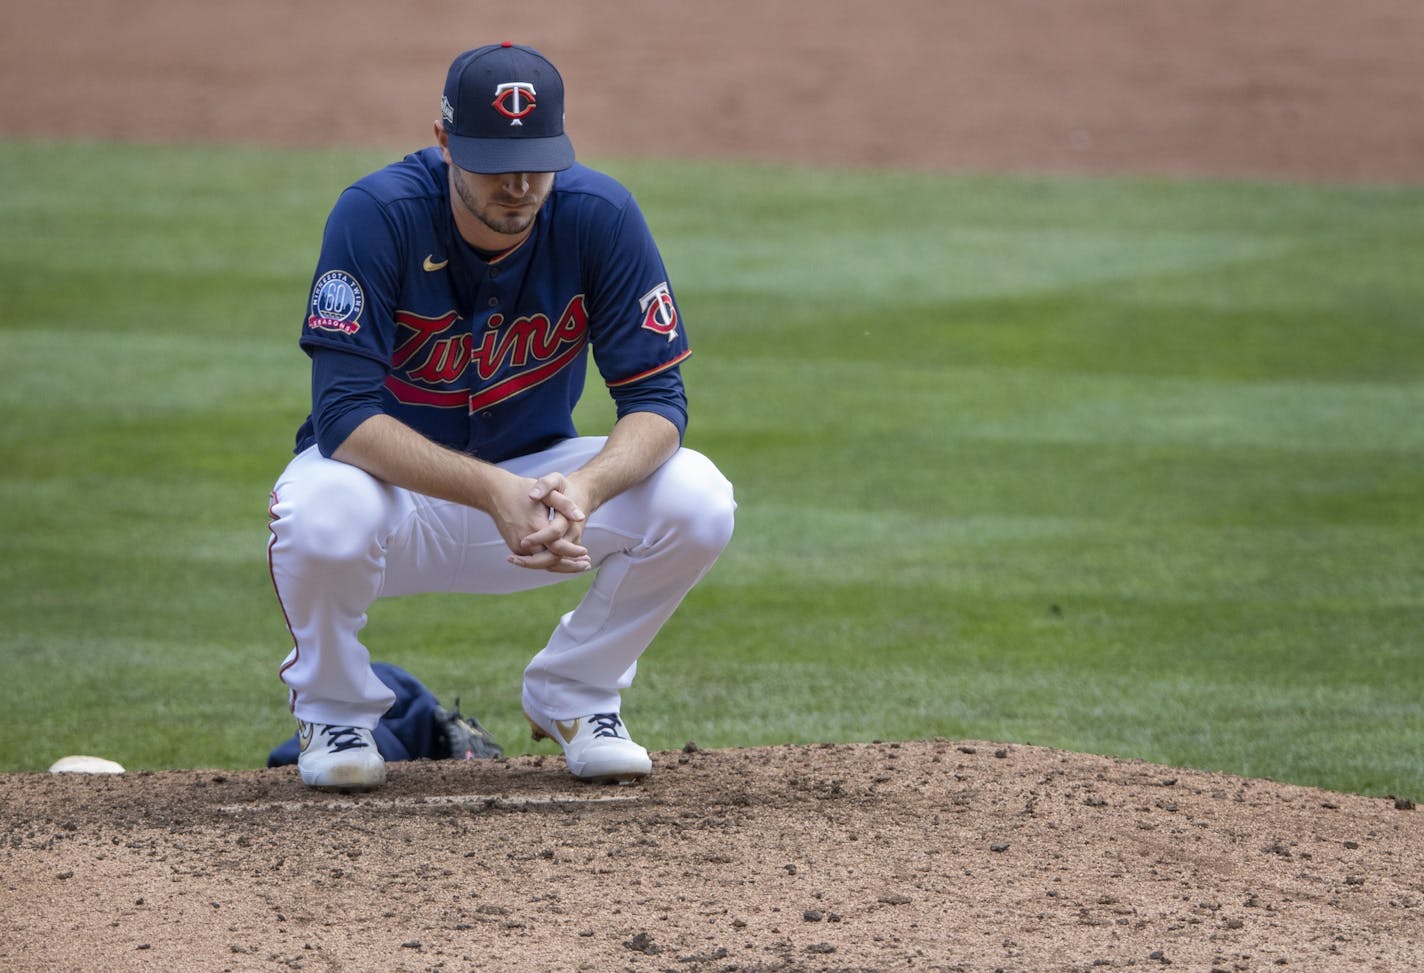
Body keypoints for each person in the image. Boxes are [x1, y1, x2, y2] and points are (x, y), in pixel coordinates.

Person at [266, 42, 736, 791]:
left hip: (539, 496)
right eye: (493, 161)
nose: (519, 184)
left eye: (537, 160)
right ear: (444, 140)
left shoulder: (599, 215)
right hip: (392, 499)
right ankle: (335, 711)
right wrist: (493, 493)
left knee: (699, 496)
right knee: (320, 511)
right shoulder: (377, 214)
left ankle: (576, 694)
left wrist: (583, 490)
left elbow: (658, 402)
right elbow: (345, 417)